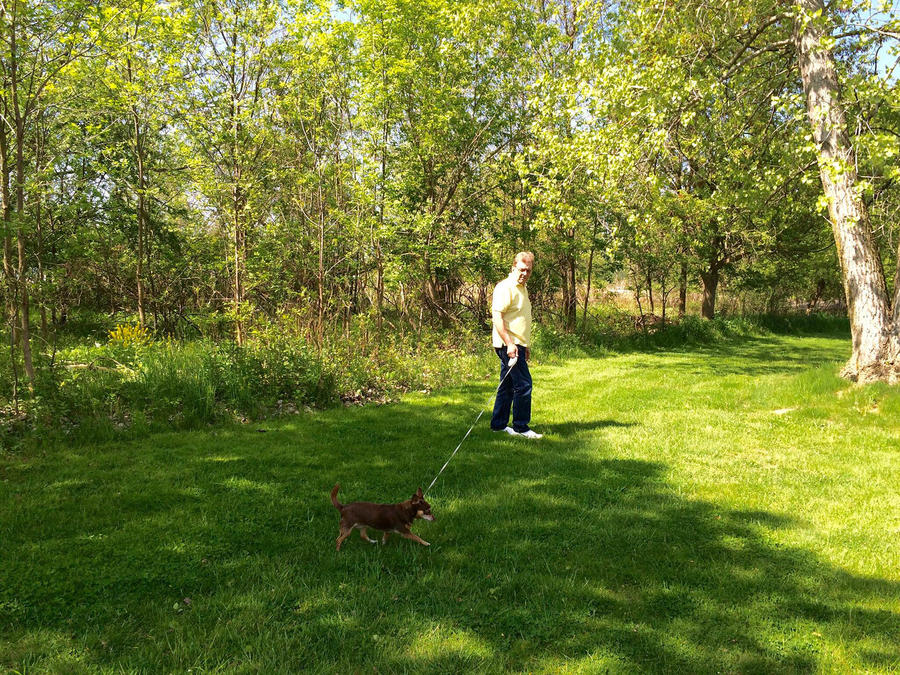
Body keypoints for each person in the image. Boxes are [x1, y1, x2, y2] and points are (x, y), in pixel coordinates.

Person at [489, 251, 542, 439]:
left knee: (508, 386)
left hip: (517, 344)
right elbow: (497, 317)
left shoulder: (523, 287)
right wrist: (510, 344)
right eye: (521, 269)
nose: (524, 274)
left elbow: (520, 318)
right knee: (524, 384)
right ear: (513, 267)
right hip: (508, 345)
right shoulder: (505, 287)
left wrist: (525, 345)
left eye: (528, 270)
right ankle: (521, 427)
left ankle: (498, 425)